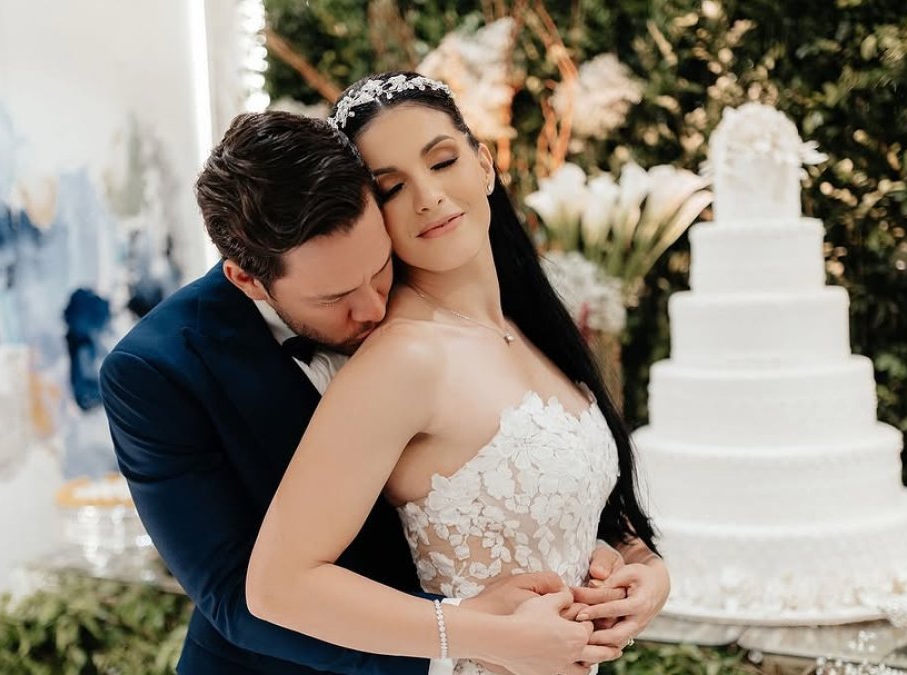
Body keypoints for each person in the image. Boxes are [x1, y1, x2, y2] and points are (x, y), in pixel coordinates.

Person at [100, 110, 639, 675]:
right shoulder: (157, 371)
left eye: (379, 269)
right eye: (334, 299)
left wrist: (619, 559)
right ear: (247, 279)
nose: (374, 308)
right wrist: (471, 638)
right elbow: (238, 599)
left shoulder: (423, 280)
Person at [245, 72, 669, 675]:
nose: (427, 196)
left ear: (484, 164)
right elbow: (277, 586)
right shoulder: (403, 360)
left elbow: (591, 512)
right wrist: (482, 635)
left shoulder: (531, 329)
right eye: (392, 189)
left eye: (442, 162)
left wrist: (646, 571)